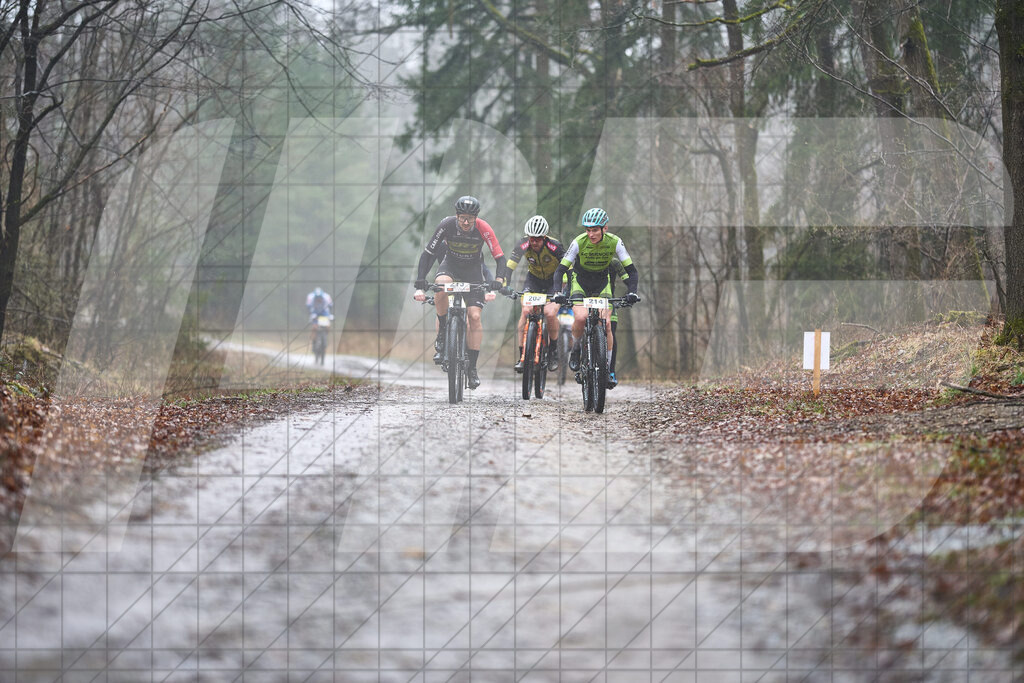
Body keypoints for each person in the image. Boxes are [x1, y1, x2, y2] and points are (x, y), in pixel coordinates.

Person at [413, 195, 505, 390]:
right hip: (451, 266)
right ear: (456, 215)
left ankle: (472, 368)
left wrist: (497, 280)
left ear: (476, 218)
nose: (465, 222)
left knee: (474, 316)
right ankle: (443, 332)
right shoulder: (446, 225)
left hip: (473, 272)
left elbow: (499, 257)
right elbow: (428, 254)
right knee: (441, 285)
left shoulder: (484, 228)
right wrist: (420, 282)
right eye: (462, 217)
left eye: (469, 219)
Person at [552, 207, 640, 381]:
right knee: (580, 317)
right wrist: (557, 292)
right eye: (588, 230)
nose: (591, 234)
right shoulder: (578, 241)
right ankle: (576, 350)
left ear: (604, 228)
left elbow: (632, 271)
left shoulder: (615, 242)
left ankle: (606, 369)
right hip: (580, 281)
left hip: (602, 283)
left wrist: (632, 292)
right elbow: (560, 269)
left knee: (606, 324)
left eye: (595, 230)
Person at [498, 215, 565, 373]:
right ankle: (522, 355)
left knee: (549, 313)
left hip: (554, 282)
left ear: (544, 237)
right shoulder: (522, 244)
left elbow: (567, 268)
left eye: (538, 239)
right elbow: (510, 266)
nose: (534, 242)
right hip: (533, 280)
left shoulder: (555, 246)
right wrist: (504, 285)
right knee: (526, 310)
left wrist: (565, 289)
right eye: (531, 238)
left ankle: (553, 351)